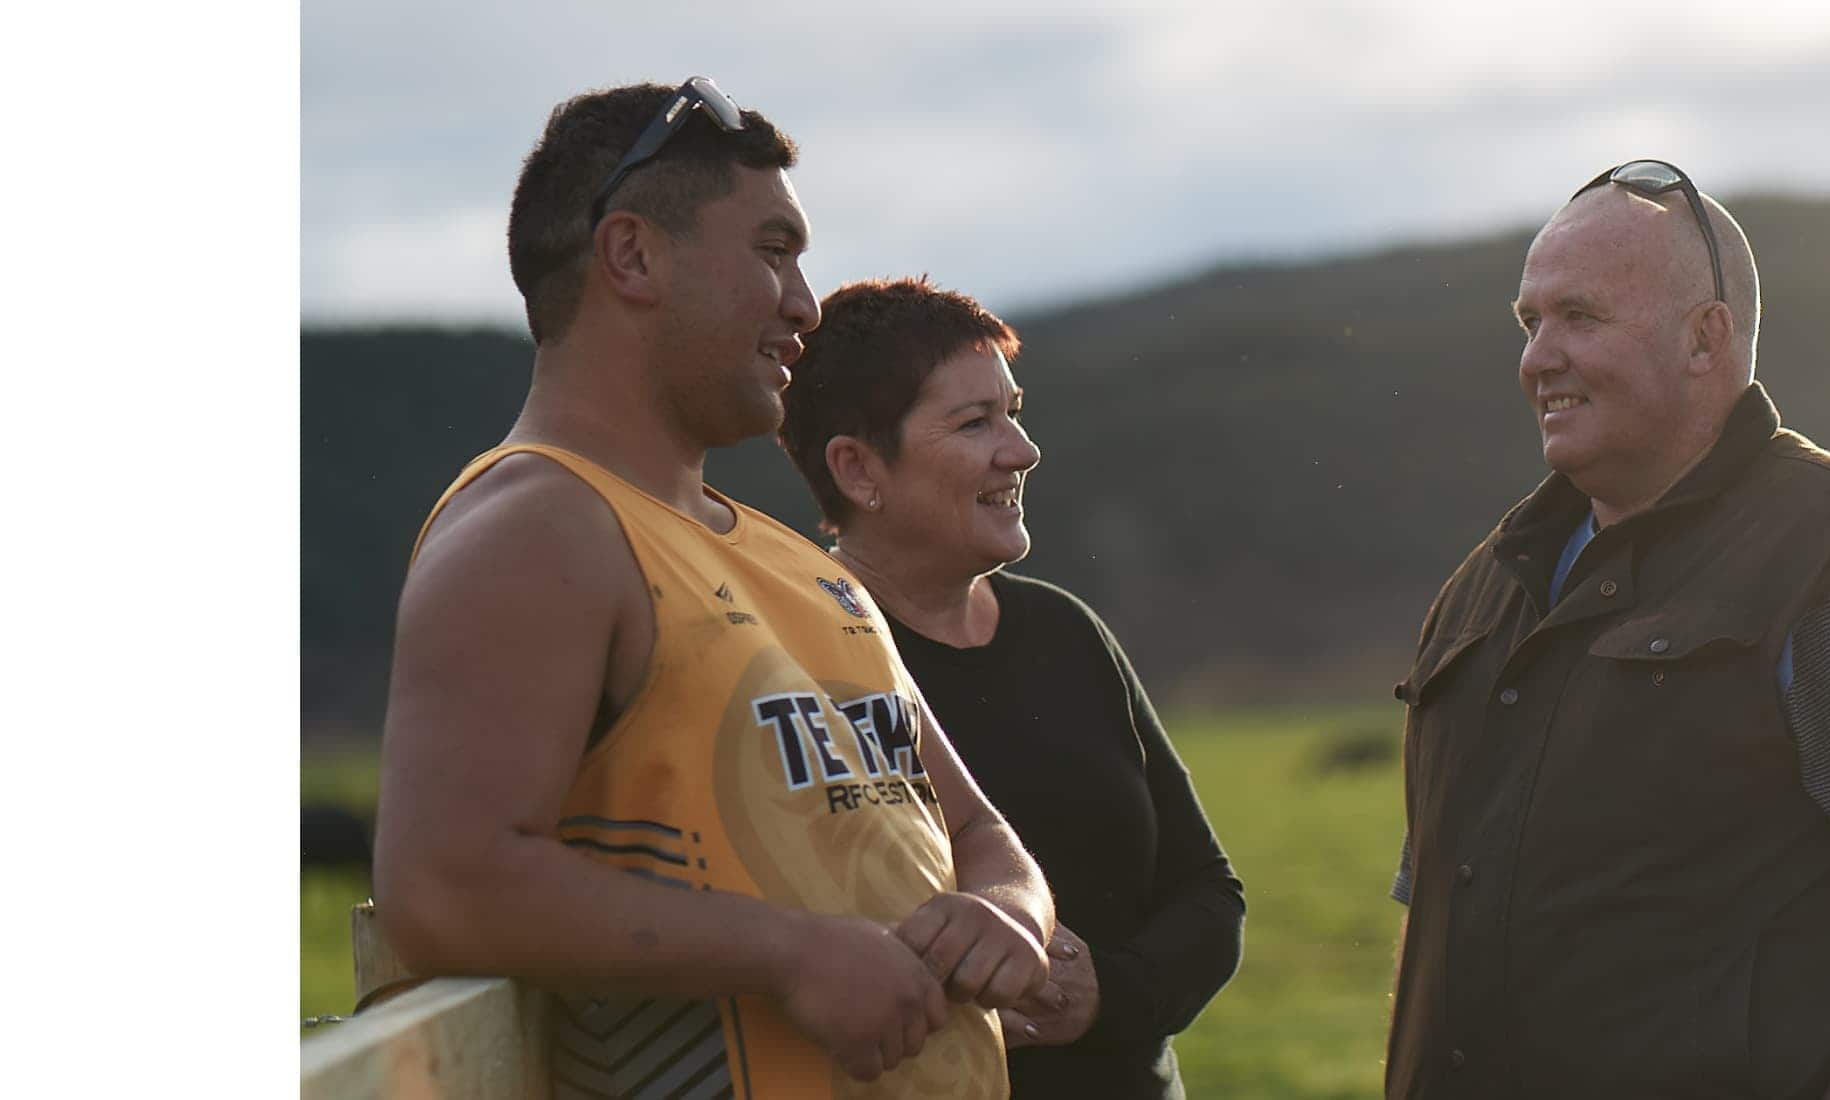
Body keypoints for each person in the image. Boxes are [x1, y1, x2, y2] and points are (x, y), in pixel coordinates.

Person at [372, 79, 1055, 1100]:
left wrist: (1006, 907)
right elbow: (444, 885)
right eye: (773, 250)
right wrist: (792, 951)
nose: (804, 304)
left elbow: (981, 834)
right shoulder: (540, 524)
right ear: (633, 255)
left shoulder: (804, 565)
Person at [1385, 160, 1830, 1099]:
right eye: (1530, 323)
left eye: (1581, 317)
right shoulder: (1485, 587)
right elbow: (1443, 898)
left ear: (1706, 337)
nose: (1538, 357)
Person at [779, 276, 1246, 1099]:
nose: (1022, 450)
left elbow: (1209, 893)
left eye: (1014, 410)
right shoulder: (797, 665)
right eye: (975, 423)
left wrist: (1109, 993)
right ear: (857, 469)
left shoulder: (1067, 631)